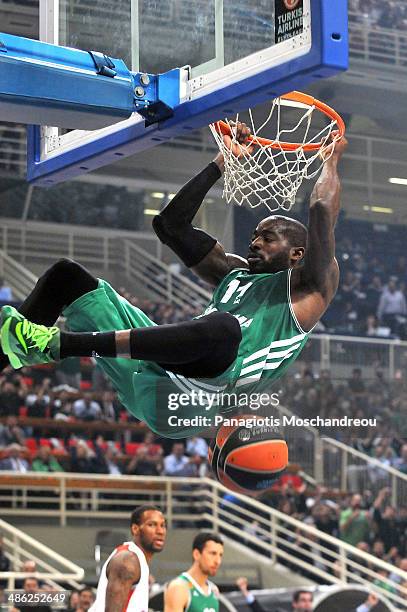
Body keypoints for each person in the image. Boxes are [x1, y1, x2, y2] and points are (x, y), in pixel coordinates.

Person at [0, 127, 347, 438]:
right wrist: (220, 162)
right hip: (152, 375)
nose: (254, 242)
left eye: (268, 238)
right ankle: (12, 352)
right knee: (67, 276)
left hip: (192, 401)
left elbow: (319, 209)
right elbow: (169, 225)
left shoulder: (311, 286)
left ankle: (60, 344)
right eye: (255, 236)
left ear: (298, 254)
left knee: (224, 328)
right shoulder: (233, 273)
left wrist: (330, 160)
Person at [89, 505, 166, 612]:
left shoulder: (137, 560)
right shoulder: (127, 561)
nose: (160, 531)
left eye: (162, 525)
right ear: (135, 529)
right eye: (152, 525)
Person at [164, 532, 223, 612]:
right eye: (213, 553)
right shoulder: (179, 587)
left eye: (220, 555)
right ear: (196, 554)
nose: (218, 561)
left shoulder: (214, 589)